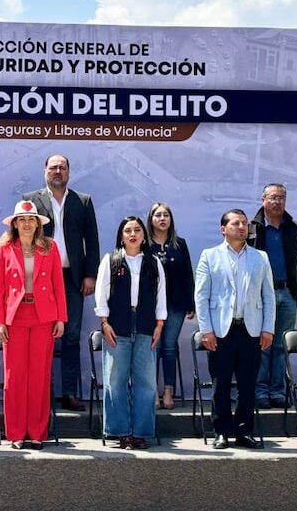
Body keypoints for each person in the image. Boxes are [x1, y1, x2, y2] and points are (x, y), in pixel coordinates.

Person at [23, 154, 100, 411]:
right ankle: (42, 390)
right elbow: (23, 239)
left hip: (72, 278)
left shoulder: (83, 201)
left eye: (62, 167)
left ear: (69, 172)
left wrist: (90, 274)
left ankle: (69, 392)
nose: (58, 171)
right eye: (53, 167)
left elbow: (92, 239)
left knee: (71, 335)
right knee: (41, 334)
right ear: (44, 170)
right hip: (40, 278)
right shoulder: (30, 200)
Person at [195, 209, 275, 450]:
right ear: (223, 229)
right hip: (221, 329)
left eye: (244, 223)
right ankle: (221, 431)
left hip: (251, 328)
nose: (242, 227)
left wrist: (268, 328)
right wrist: (206, 330)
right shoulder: (210, 256)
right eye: (236, 223)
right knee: (220, 384)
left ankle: (244, 431)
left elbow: (268, 295)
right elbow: (201, 296)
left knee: (247, 384)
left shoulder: (260, 257)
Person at [0, 200, 66, 449]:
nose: (26, 224)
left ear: (37, 224)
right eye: (22, 220)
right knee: (14, 377)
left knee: (39, 375)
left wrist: (60, 318)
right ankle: (15, 433)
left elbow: (58, 284)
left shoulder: (50, 247)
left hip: (43, 316)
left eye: (31, 219)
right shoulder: (4, 248)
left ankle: (37, 432)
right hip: (15, 317)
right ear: (14, 223)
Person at [94, 216, 166, 450]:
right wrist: (104, 323)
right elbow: (101, 294)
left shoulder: (154, 262)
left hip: (146, 324)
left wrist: (159, 324)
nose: (133, 234)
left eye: (137, 230)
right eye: (128, 230)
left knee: (146, 382)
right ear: (121, 236)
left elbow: (161, 295)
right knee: (116, 380)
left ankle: (141, 432)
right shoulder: (111, 260)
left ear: (144, 235)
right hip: (117, 325)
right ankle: (120, 431)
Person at [248, 183, 297, 409]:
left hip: (288, 292)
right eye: (273, 197)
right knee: (262, 342)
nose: (277, 202)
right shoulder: (251, 229)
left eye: (281, 197)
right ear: (263, 199)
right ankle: (260, 391)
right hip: (260, 294)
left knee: (281, 345)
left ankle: (278, 390)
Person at [146, 203, 195, 410]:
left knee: (169, 346)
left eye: (166, 215)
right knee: (153, 346)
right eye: (158, 215)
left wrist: (190, 303)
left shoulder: (179, 244)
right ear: (151, 219)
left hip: (176, 304)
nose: (162, 218)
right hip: (151, 305)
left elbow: (188, 274)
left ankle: (168, 391)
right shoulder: (144, 244)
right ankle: (152, 392)